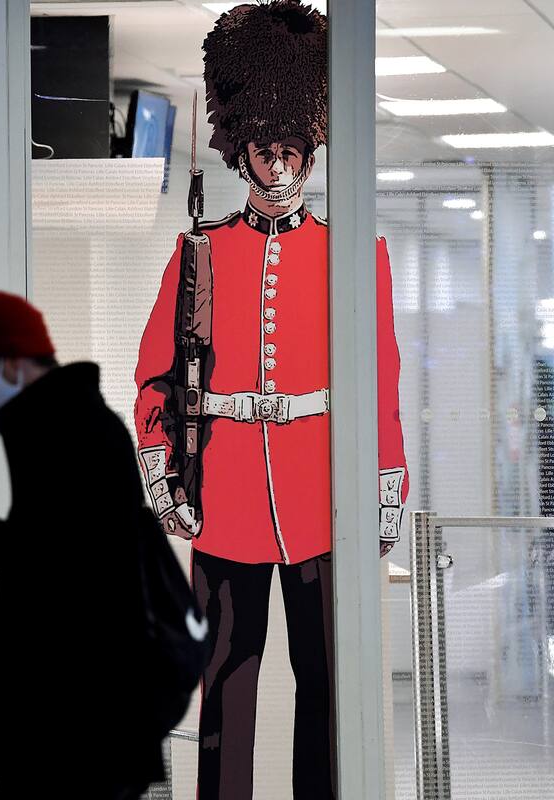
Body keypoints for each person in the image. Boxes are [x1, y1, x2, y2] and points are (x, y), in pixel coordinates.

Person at [132, 3, 408, 798]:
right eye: (265, 151)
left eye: (292, 151)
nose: (280, 168)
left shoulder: (358, 253)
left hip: (325, 499)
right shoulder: (202, 253)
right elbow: (156, 377)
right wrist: (163, 477)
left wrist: (386, 486)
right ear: (240, 152)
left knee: (327, 684)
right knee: (227, 686)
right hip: (226, 500)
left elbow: (379, 379)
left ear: (310, 151)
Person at [0, 290, 165, 800]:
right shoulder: (72, 427)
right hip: (82, 727)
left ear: (10, 363)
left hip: (74, 730)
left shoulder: (68, 434)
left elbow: (50, 584)